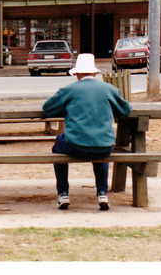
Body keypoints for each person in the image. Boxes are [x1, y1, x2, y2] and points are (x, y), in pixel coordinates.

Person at [42, 53, 132, 210]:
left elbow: (47, 109)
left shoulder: (69, 90)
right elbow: (126, 111)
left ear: (76, 74)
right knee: (100, 146)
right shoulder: (110, 89)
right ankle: (102, 192)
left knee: (58, 144)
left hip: (75, 146)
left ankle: (63, 193)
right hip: (104, 146)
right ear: (95, 73)